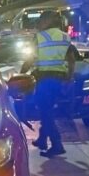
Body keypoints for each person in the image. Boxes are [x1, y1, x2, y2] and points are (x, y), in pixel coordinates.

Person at [31, 11, 76, 158]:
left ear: (47, 21)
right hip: (58, 79)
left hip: (45, 78)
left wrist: (22, 72)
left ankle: (57, 144)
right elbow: (71, 59)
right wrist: (69, 77)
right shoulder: (65, 36)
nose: (39, 23)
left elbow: (31, 58)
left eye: (41, 20)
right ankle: (43, 140)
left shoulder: (40, 37)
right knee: (47, 109)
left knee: (45, 111)